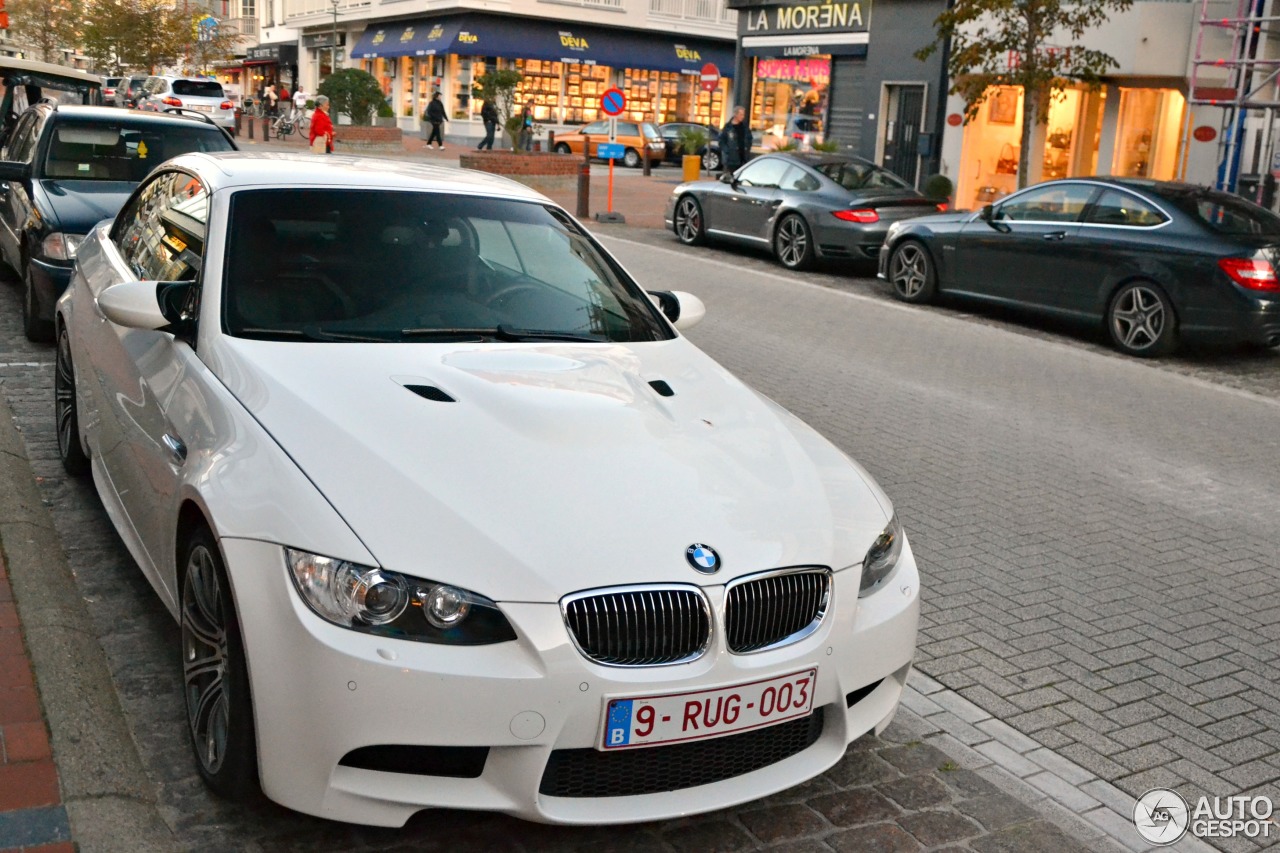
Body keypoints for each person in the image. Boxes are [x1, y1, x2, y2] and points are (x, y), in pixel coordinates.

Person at [718, 106, 753, 173]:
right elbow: (721, 141)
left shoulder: (745, 126)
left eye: (743, 114)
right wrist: (727, 151)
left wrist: (748, 147)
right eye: (741, 114)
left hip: (744, 159)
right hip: (731, 160)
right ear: (735, 114)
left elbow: (749, 138)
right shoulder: (728, 127)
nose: (743, 116)